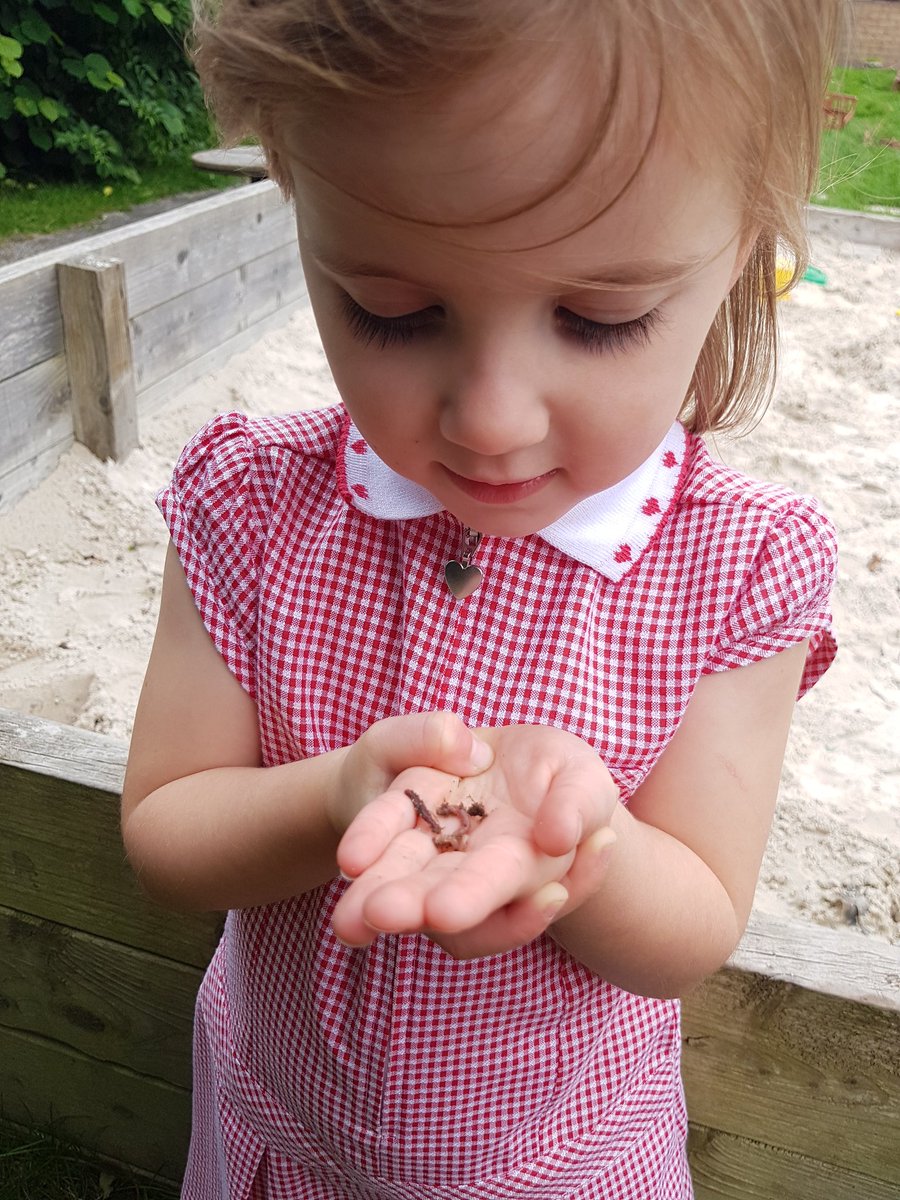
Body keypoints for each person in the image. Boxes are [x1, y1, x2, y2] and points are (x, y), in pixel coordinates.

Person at [121, 1, 844, 1196]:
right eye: (394, 312)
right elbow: (166, 832)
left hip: (563, 1166)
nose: (491, 419)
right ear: (295, 192)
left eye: (599, 319)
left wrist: (582, 848)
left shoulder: (741, 564)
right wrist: (339, 798)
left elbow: (701, 919)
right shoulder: (248, 503)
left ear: (748, 244)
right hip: (281, 1142)